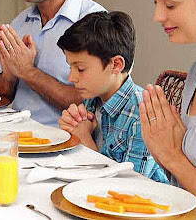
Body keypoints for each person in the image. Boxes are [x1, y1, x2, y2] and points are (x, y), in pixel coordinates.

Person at [57, 11, 168, 182]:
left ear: (116, 64)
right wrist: (72, 131)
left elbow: (130, 187)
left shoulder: (142, 116)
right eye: (70, 67)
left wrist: (84, 138)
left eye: (80, 69)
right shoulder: (92, 99)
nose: (71, 78)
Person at [139, 0, 196, 196]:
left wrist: (173, 156)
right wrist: (163, 151)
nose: (157, 16)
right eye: (155, 2)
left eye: (170, 5)